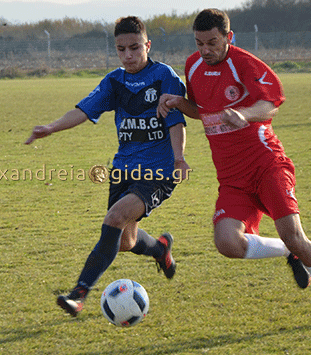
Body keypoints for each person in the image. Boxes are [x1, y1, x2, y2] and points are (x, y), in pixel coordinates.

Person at [157, 8, 311, 327]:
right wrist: (179, 103)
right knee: (227, 243)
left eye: (213, 42)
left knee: (294, 234)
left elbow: (269, 103)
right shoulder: (193, 65)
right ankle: (290, 254)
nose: (205, 50)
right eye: (199, 43)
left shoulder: (244, 63)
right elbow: (202, 111)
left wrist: (245, 114)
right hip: (232, 179)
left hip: (266, 165)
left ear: (228, 38)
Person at [25, 16, 191, 317]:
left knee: (114, 217)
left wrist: (179, 158)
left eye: (134, 48)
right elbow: (84, 110)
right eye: (121, 49)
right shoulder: (115, 81)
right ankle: (159, 248)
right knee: (126, 240)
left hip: (160, 171)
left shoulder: (164, 76)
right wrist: (51, 128)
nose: (128, 55)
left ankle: (79, 294)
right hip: (123, 170)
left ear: (147, 45)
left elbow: (177, 121)